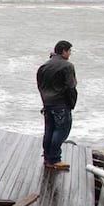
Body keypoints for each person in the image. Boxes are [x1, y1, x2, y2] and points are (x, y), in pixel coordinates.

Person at [36, 40, 77, 170]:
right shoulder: (67, 66)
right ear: (64, 51)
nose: (70, 54)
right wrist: (71, 102)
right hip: (60, 103)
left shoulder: (44, 66)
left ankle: (48, 157)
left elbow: (40, 85)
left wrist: (45, 100)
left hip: (47, 103)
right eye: (69, 51)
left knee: (49, 130)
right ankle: (54, 158)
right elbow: (71, 86)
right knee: (62, 130)